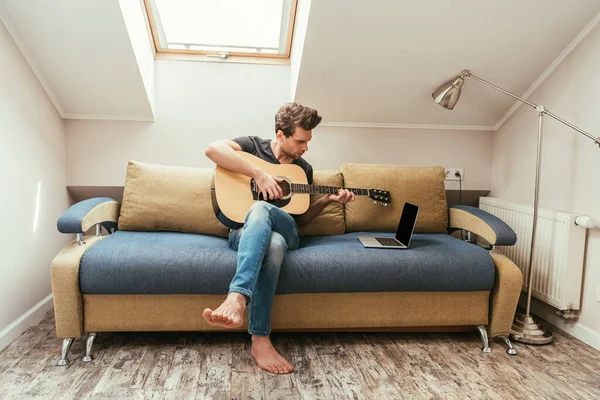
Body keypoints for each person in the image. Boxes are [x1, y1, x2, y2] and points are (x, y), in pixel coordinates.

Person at [203, 102, 355, 374]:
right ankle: (260, 339)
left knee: (263, 209)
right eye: (300, 141)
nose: (305, 148)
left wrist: (328, 201)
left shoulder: (302, 170)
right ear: (281, 134)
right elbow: (213, 150)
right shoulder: (252, 148)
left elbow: (300, 218)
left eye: (308, 142)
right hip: (243, 231)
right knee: (272, 244)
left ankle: (237, 297)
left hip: (289, 232)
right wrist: (259, 174)